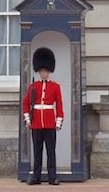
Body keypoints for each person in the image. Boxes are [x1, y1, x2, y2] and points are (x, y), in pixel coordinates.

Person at [22, 47, 64, 186]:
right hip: (36, 124)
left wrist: (58, 122)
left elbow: (59, 105)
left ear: (49, 71)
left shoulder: (55, 87)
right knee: (37, 152)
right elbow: (26, 103)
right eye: (41, 71)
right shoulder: (33, 86)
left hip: (50, 123)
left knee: (51, 152)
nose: (43, 73)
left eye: (45, 71)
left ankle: (52, 178)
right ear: (39, 71)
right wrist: (28, 120)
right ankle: (36, 177)